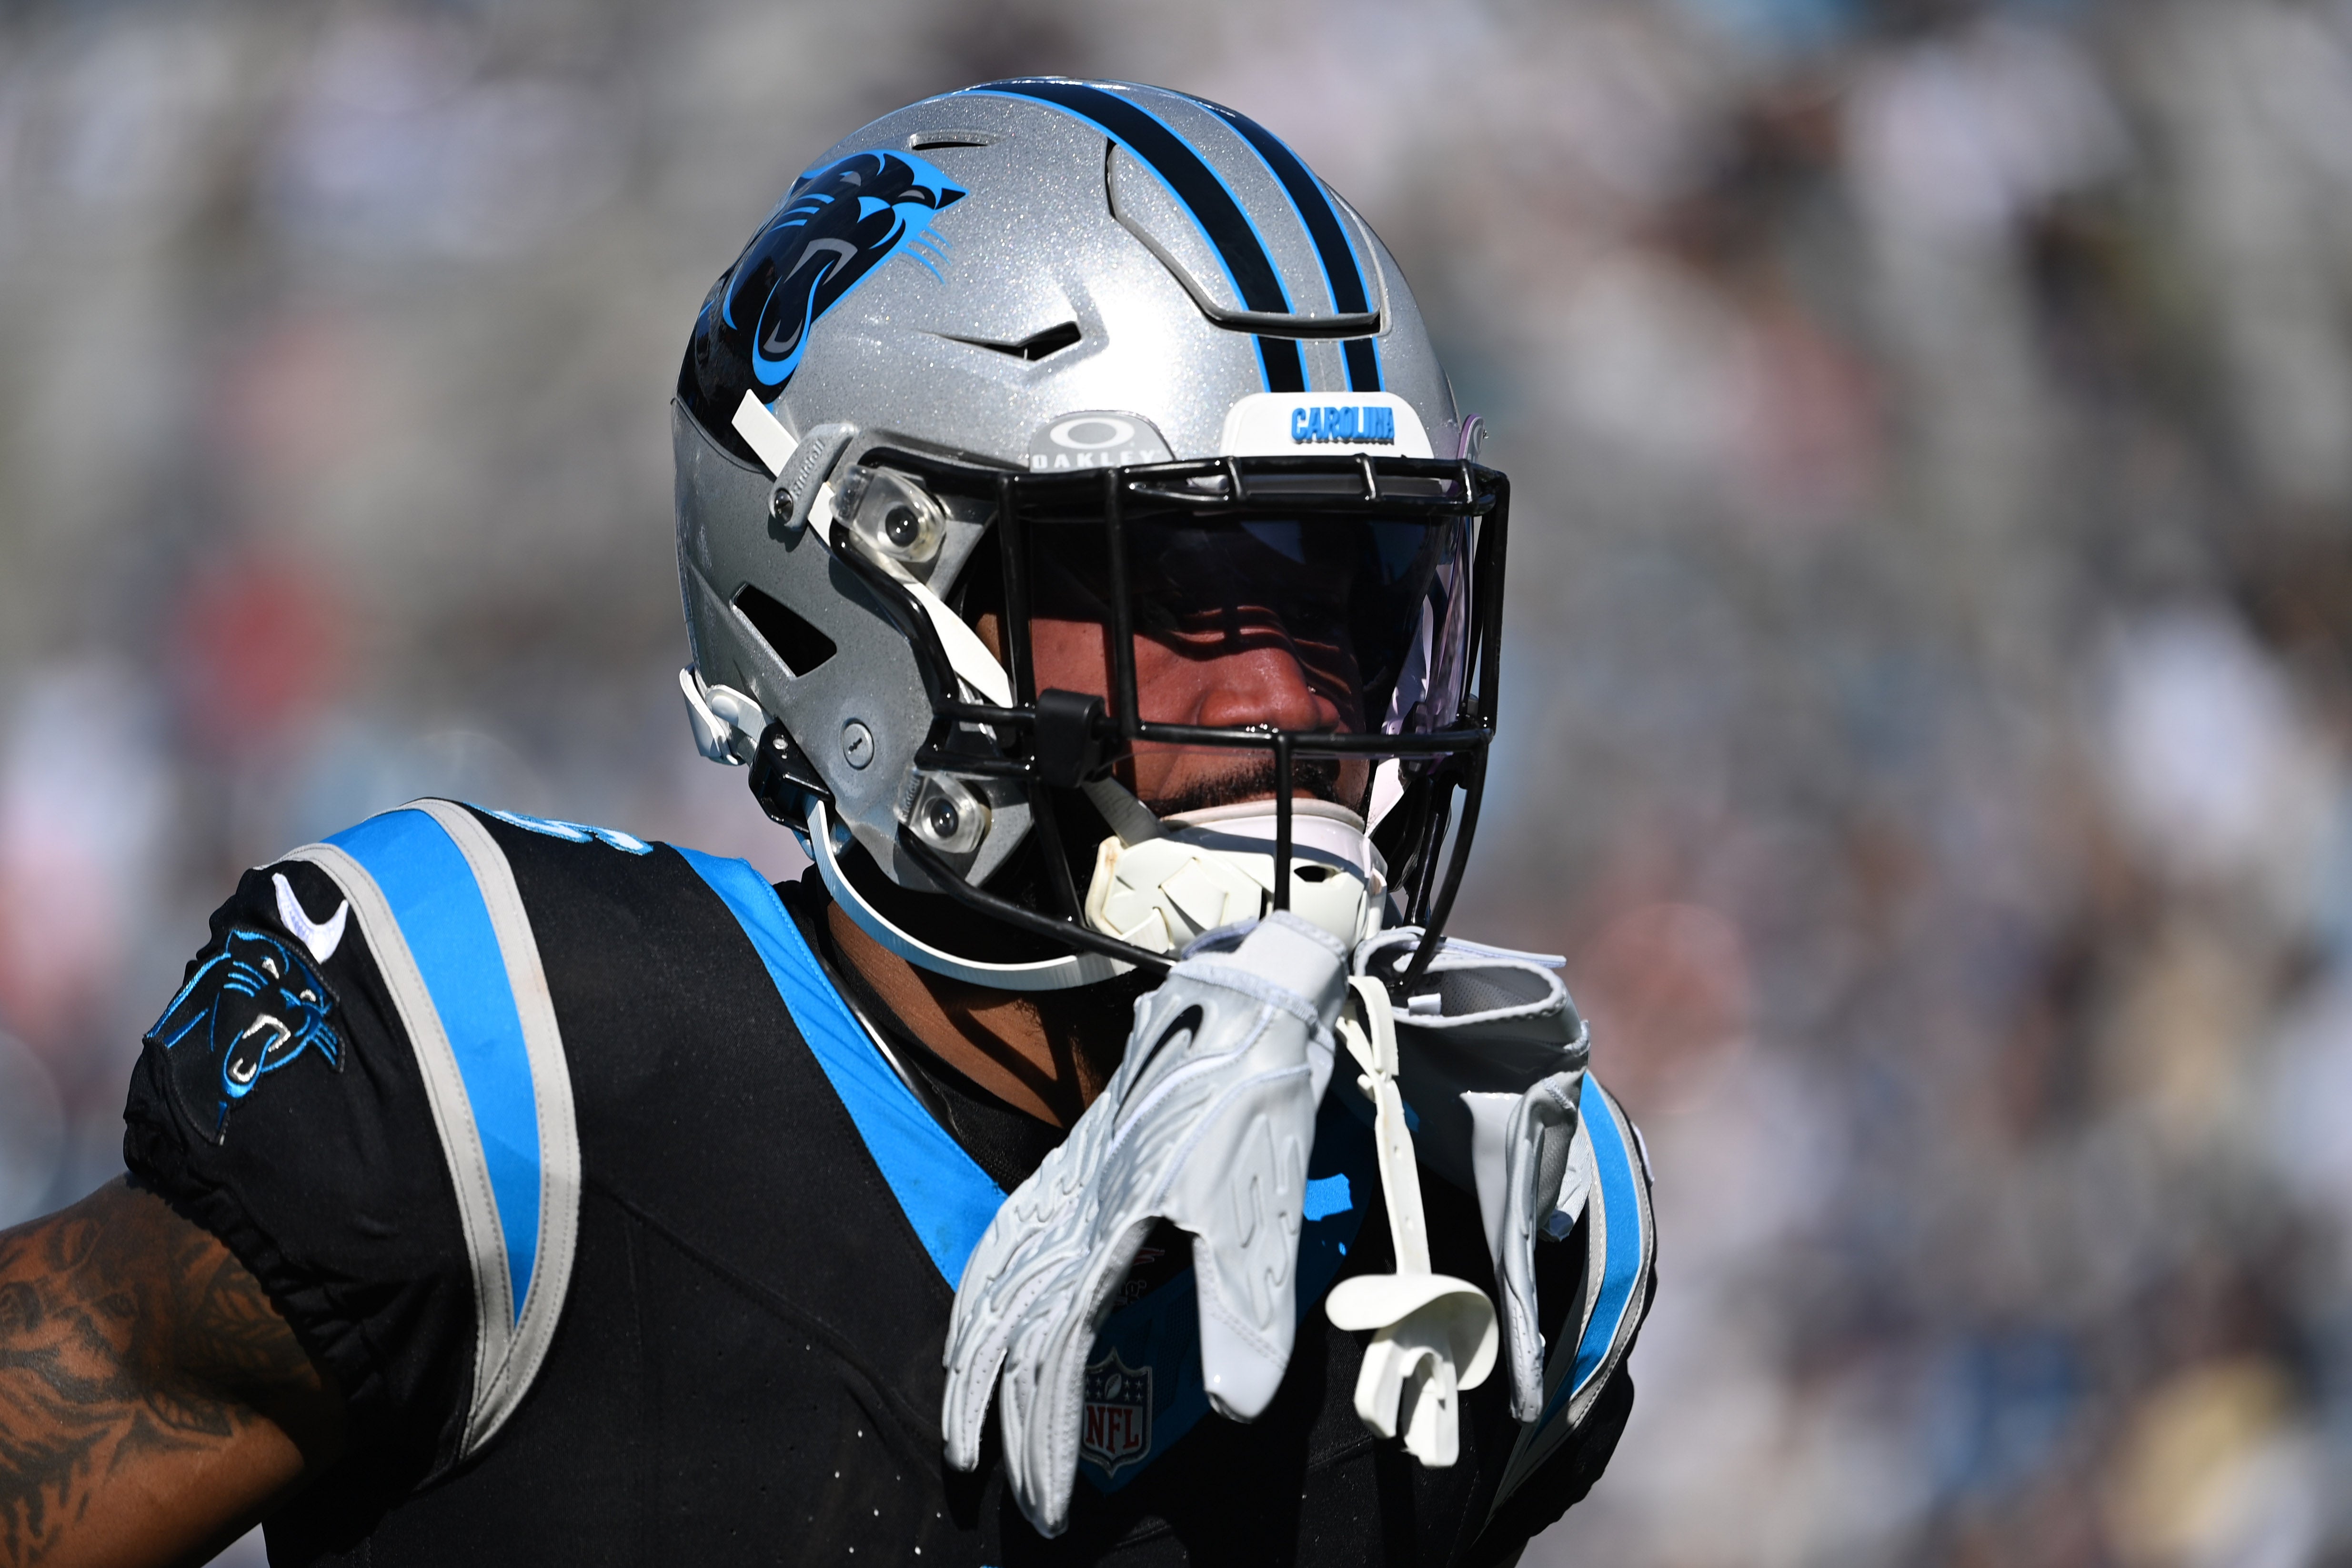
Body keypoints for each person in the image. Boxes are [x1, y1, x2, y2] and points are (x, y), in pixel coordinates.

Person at [0, 79, 1653, 1566]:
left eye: (1345, 604)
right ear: (873, 582)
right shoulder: (529, 1085)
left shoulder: (1472, 1203)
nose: (1300, 707)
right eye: (1199, 599)